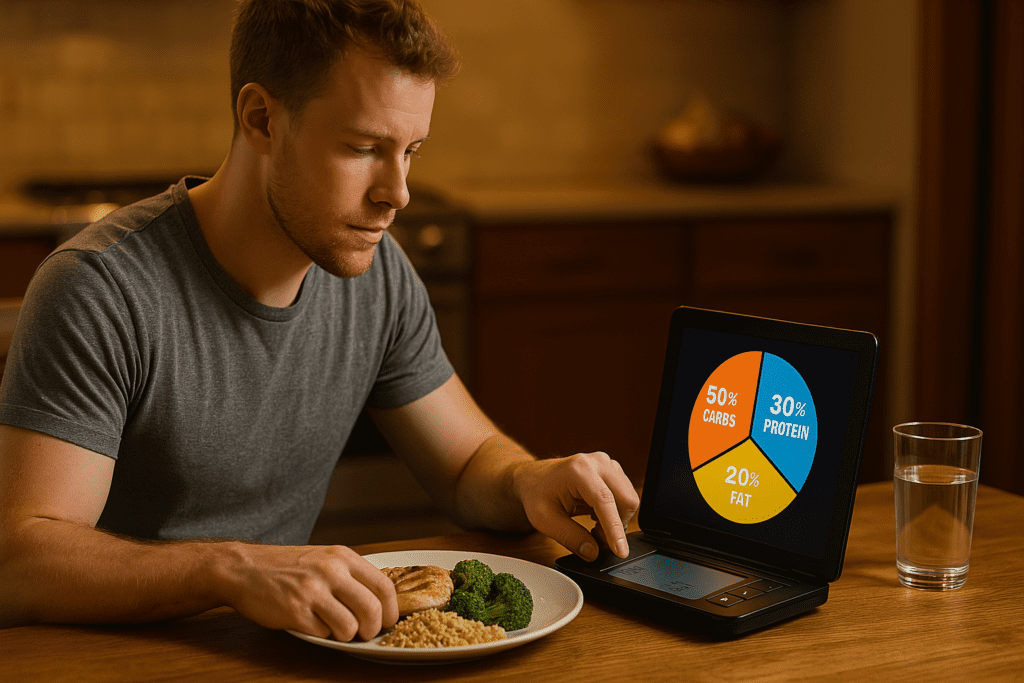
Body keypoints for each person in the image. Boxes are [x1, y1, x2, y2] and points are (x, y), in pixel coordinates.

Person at [0, 0, 639, 642]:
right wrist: (229, 569)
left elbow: (466, 462)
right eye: (364, 148)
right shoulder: (100, 288)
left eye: (410, 150)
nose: (398, 191)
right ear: (261, 119)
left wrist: (527, 478)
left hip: (279, 656)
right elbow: (23, 562)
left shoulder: (381, 275)